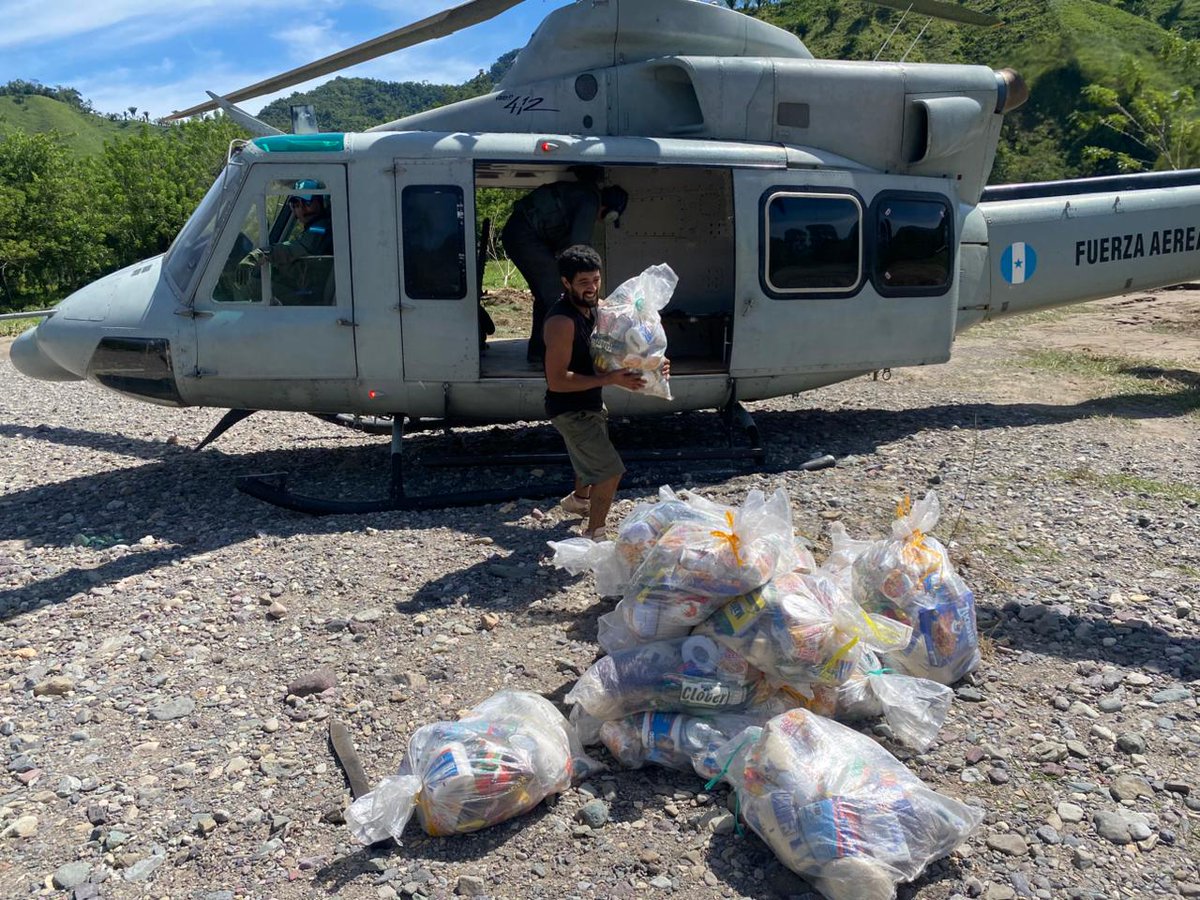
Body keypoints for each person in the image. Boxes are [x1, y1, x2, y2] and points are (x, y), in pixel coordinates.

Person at [544, 244, 667, 541]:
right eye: (584, 283)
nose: (592, 288)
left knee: (589, 456)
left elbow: (616, 350)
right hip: (569, 408)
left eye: (596, 280)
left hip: (590, 402)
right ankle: (594, 535)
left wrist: (654, 364)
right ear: (566, 283)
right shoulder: (561, 322)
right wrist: (610, 379)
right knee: (609, 471)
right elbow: (556, 381)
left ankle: (579, 500)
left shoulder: (596, 309)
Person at [501, 175, 629, 365]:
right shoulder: (590, 201)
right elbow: (579, 247)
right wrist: (590, 290)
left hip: (519, 234)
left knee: (545, 296)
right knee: (557, 294)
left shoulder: (584, 194)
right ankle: (563, 355)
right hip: (524, 236)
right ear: (609, 210)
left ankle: (539, 352)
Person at [237, 179, 334, 303]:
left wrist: (261, 254)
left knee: (255, 288)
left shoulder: (321, 227)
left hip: (313, 297)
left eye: (308, 203)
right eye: (297, 204)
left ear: (322, 202)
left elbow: (296, 249)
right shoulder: (316, 227)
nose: (302, 209)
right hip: (310, 290)